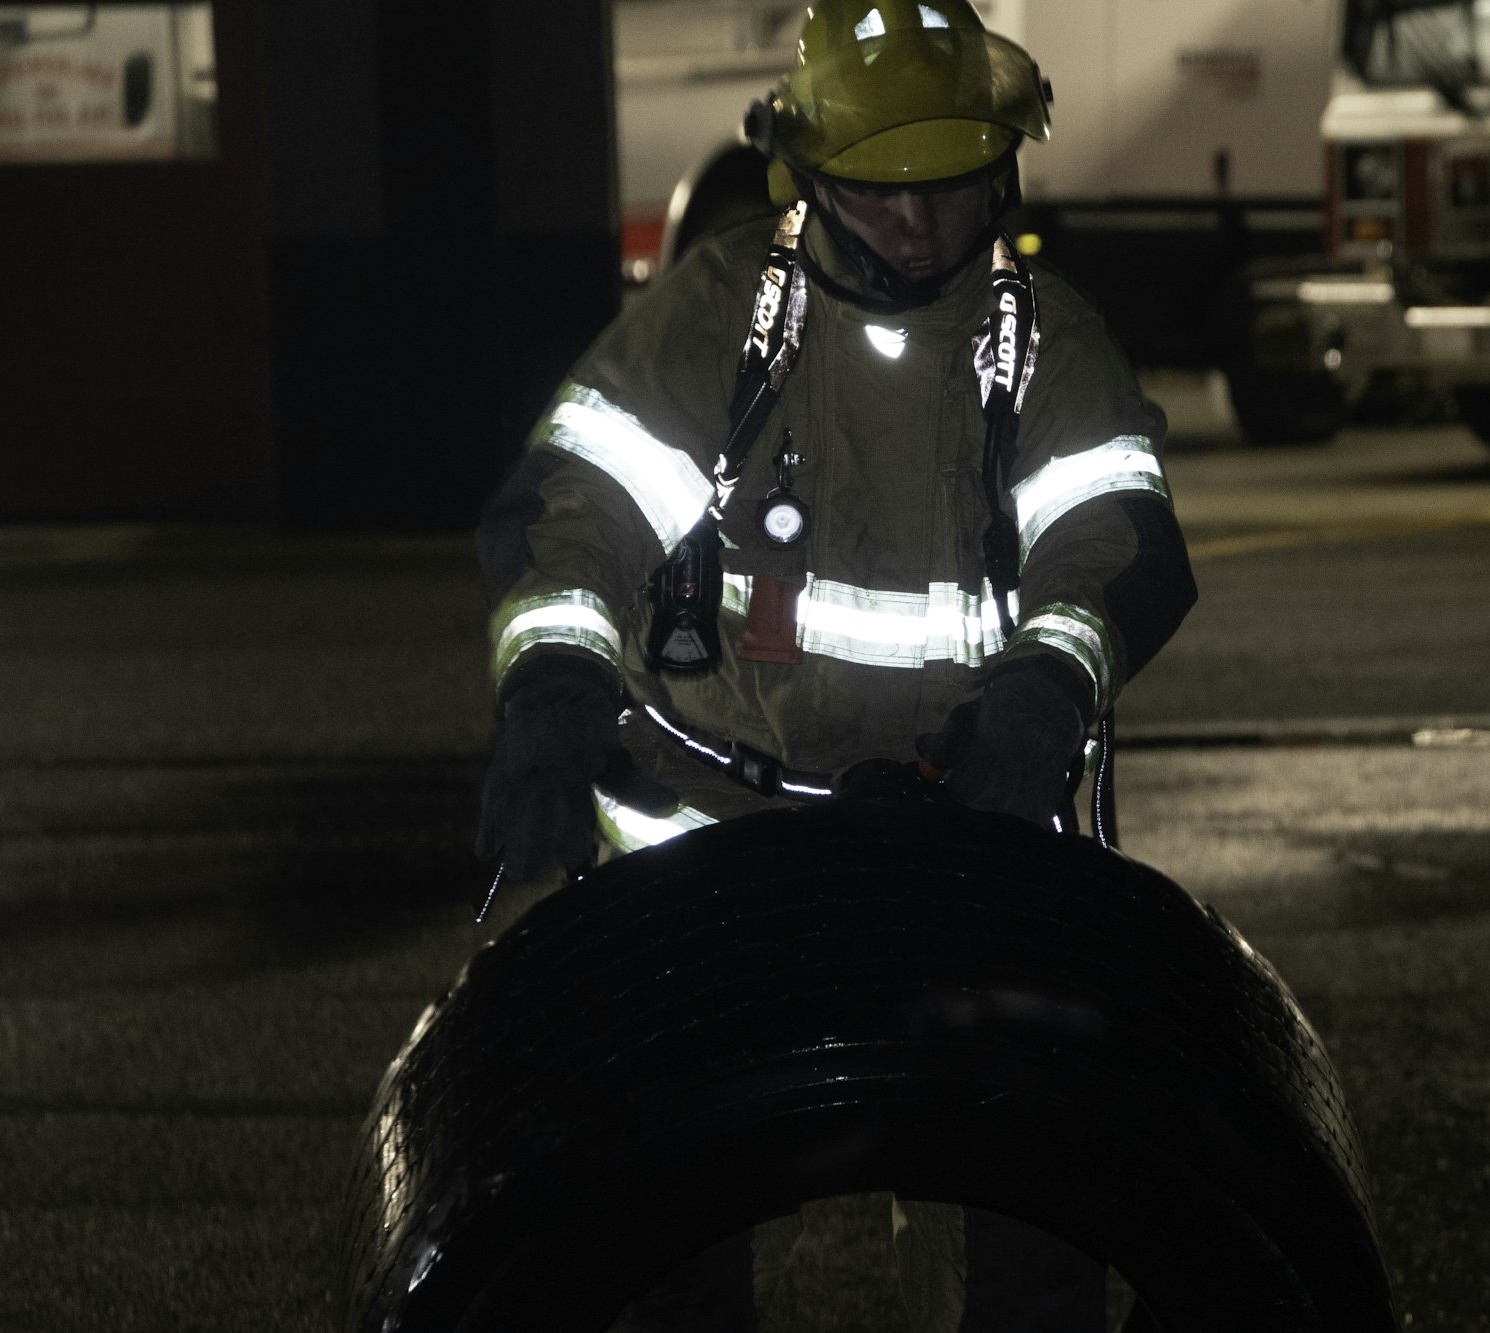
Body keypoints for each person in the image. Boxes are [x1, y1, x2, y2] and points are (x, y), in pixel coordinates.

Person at [473, 2, 1196, 1328]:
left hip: (967, 830)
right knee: (656, 1218)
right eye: (877, 194)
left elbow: (1115, 551)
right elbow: (569, 513)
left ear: (1005, 165)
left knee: (1022, 1221)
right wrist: (554, 686)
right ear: (806, 176)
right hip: (707, 844)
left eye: (948, 188)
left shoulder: (1050, 349)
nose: (916, 229)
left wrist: (1045, 685)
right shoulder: (713, 322)